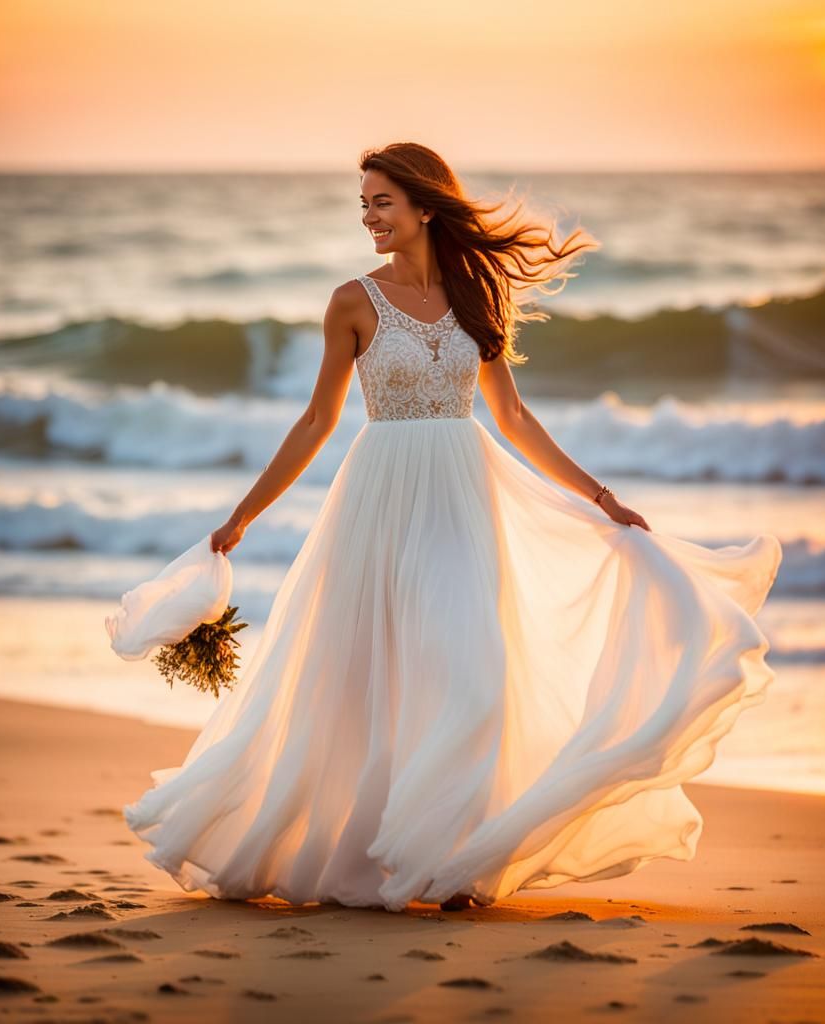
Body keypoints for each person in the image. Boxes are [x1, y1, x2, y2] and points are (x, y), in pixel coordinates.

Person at [123, 142, 782, 914]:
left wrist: (601, 497)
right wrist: (241, 517)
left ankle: (453, 860)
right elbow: (315, 421)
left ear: (425, 206)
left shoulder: (480, 294)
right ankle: (374, 854)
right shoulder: (352, 302)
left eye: (382, 202)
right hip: (379, 500)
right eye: (363, 203)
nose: (369, 216)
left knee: (468, 667)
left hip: (465, 498)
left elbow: (512, 417)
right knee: (369, 678)